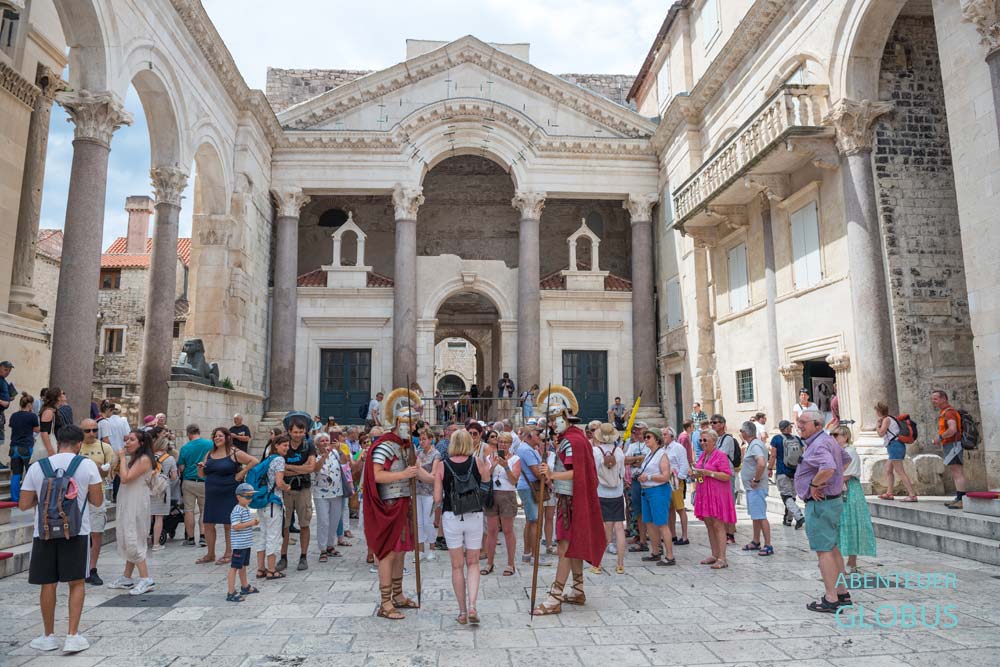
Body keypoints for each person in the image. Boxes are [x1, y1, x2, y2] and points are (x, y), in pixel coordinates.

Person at [19, 425, 103, 654]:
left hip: (44, 532)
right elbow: (96, 501)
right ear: (79, 444)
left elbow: (24, 504)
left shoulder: (38, 467)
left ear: (58, 443)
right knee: (76, 582)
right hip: (76, 531)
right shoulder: (87, 465)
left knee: (48, 584)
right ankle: (72, 635)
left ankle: (48, 636)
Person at [531, 386, 606, 616]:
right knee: (571, 546)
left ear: (565, 417)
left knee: (564, 546)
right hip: (571, 498)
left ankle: (555, 597)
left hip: (569, 501)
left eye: (555, 419)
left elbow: (576, 472)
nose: (552, 424)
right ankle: (577, 589)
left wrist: (551, 474)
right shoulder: (576, 438)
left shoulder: (569, 442)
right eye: (551, 420)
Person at [363, 387, 434, 619]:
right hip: (388, 505)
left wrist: (438, 480)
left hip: (403, 504)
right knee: (388, 553)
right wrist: (405, 475)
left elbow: (418, 472)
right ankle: (385, 603)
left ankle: (398, 594)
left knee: (401, 551)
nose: (414, 429)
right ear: (400, 422)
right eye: (411, 424)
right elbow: (377, 476)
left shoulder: (406, 447)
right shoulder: (384, 445)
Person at [794, 409, 853, 613]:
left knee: (824, 551)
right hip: (832, 501)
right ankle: (842, 592)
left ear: (817, 425)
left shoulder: (819, 444)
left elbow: (828, 467)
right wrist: (833, 483)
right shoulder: (828, 440)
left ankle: (831, 598)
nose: (799, 425)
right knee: (833, 547)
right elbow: (845, 460)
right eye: (799, 421)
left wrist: (814, 484)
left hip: (821, 504)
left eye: (803, 422)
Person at [433, 428, 491, 624]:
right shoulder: (477, 462)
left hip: (452, 516)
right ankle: (473, 605)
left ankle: (462, 612)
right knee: (473, 562)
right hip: (474, 515)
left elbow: (437, 498)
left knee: (457, 566)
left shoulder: (442, 466)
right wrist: (478, 500)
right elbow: (486, 483)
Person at [197, 427, 258, 566]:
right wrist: (200, 467)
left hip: (229, 490)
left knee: (228, 523)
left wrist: (241, 473)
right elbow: (201, 475)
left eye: (220, 436)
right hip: (212, 492)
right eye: (215, 436)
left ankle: (228, 553)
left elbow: (254, 461)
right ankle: (210, 553)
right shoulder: (209, 453)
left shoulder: (234, 452)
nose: (217, 438)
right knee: (208, 523)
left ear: (226, 438)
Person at [107, 429, 157, 595]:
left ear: (141, 443)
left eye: (131, 440)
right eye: (127, 439)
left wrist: (121, 457)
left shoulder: (144, 459)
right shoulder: (135, 459)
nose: (127, 442)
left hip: (136, 503)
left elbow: (126, 478)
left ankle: (145, 578)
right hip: (127, 500)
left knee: (133, 537)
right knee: (127, 536)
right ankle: (127, 577)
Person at [691, 430, 736, 569]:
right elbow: (701, 472)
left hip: (717, 494)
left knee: (718, 525)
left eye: (705, 440)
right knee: (709, 524)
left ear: (714, 441)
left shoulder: (720, 455)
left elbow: (727, 475)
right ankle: (714, 554)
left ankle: (722, 558)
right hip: (705, 493)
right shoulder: (704, 456)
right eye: (701, 440)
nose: (702, 443)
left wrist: (709, 473)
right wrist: (695, 473)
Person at [834, 425, 876, 574]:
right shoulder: (837, 451)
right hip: (839, 488)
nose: (834, 437)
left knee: (851, 522)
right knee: (840, 525)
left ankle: (851, 562)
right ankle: (839, 562)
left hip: (849, 490)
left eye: (837, 435)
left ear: (845, 436)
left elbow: (846, 475)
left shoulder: (850, 452)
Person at [78, 419, 115, 585]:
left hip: (97, 495)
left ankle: (92, 569)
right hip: (77, 496)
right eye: (88, 431)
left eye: (95, 430)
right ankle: (79, 567)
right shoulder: (76, 447)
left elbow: (110, 473)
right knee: (78, 534)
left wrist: (97, 468)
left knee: (97, 533)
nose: (92, 433)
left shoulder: (105, 448)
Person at [279, 415, 316, 571]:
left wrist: (290, 467)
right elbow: (279, 470)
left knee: (304, 523)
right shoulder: (282, 445)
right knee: (284, 525)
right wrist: (301, 468)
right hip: (285, 489)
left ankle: (303, 556)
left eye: (301, 431)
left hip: (303, 489)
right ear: (289, 431)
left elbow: (311, 468)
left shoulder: (309, 445)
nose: (298, 435)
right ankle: (283, 557)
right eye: (295, 432)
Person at [481, 431, 521, 576]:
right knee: (491, 530)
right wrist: (493, 466)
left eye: (506, 442)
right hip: (492, 494)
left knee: (508, 530)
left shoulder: (515, 459)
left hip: (507, 494)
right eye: (501, 441)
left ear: (510, 444)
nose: (503, 444)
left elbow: (514, 480)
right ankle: (490, 563)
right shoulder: (489, 457)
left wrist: (505, 467)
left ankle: (510, 564)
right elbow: (485, 476)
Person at [636, 430, 675, 566]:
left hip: (658, 491)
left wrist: (649, 477)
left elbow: (665, 476)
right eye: (645, 437)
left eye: (648, 437)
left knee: (662, 524)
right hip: (646, 490)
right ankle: (656, 551)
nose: (645, 439)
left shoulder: (662, 455)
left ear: (657, 439)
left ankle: (670, 555)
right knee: (649, 522)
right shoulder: (649, 454)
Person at [255, 434, 290, 580]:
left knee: (263, 534)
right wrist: (287, 487)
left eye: (287, 446)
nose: (286, 448)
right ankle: (271, 570)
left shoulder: (268, 459)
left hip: (262, 501)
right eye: (284, 445)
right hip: (273, 502)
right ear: (277, 446)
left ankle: (260, 569)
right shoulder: (279, 460)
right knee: (273, 535)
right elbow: (279, 482)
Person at [593, 423, 626, 574]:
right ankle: (620, 564)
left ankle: (597, 564)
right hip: (617, 493)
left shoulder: (595, 452)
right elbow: (623, 473)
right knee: (619, 528)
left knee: (600, 527)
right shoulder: (619, 452)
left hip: (601, 492)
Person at [739, 421, 773, 557]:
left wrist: (756, 479)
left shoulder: (756, 445)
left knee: (760, 515)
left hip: (757, 487)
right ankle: (756, 540)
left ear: (745, 433)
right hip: (752, 488)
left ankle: (768, 544)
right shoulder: (753, 445)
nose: (740, 433)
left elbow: (761, 463)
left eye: (741, 431)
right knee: (756, 516)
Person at [515, 423, 546, 566]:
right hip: (530, 486)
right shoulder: (526, 450)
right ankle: (534, 555)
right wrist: (549, 478)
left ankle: (527, 553)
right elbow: (536, 471)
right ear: (529, 436)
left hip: (526, 486)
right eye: (537, 434)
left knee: (530, 521)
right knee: (534, 521)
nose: (539, 437)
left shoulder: (526, 448)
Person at [312, 432, 346, 562]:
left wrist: (339, 449)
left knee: (334, 520)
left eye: (327, 440)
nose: (325, 442)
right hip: (320, 492)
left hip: (336, 491)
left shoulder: (335, 453)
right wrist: (324, 455)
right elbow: (316, 468)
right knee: (323, 521)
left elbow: (344, 462)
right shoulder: (314, 455)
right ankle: (322, 549)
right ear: (317, 444)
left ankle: (331, 545)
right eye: (322, 441)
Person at [178, 424, 212, 546]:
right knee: (204, 510)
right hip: (205, 481)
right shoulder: (210, 444)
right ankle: (203, 536)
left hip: (189, 481)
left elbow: (181, 468)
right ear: (199, 431)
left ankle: (190, 538)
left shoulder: (185, 447)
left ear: (189, 434)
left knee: (189, 510)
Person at [875, 401, 917, 502]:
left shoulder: (886, 420)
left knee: (900, 471)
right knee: (888, 469)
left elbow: (881, 433)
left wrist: (877, 425)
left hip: (895, 446)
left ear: (879, 411)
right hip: (895, 445)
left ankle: (912, 495)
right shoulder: (891, 418)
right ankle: (889, 493)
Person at [932, 390, 966, 509]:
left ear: (944, 399)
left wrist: (940, 437)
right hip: (951, 445)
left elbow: (953, 429)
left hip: (953, 445)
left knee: (957, 472)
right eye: (933, 399)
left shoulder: (949, 413)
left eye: (936, 398)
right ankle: (959, 497)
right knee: (955, 472)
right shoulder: (945, 412)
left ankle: (962, 500)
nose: (933, 401)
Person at [768, 420, 805, 529]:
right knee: (791, 497)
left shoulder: (776, 439)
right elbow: (803, 454)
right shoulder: (797, 439)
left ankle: (798, 516)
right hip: (795, 470)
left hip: (782, 470)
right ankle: (788, 519)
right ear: (787, 428)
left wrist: (769, 468)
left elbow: (773, 455)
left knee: (786, 496)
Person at [226, 483, 260, 602]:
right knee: (234, 567)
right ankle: (231, 592)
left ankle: (244, 586)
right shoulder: (237, 510)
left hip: (245, 544)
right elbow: (235, 526)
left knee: (243, 566)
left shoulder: (245, 509)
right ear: (238, 497)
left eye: (251, 497)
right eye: (247, 497)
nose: (250, 499)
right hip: (239, 545)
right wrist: (251, 523)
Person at [710, 414, 739, 544]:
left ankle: (730, 534)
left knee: (729, 504)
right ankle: (724, 531)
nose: (712, 425)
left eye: (715, 422)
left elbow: (720, 455)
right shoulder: (716, 439)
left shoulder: (727, 439)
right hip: (718, 476)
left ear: (722, 424)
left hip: (727, 475)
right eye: (711, 422)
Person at [149, 431, 178, 551]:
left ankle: (144, 541)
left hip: (148, 488)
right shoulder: (170, 459)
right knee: (159, 518)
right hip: (162, 491)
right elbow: (174, 477)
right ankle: (156, 544)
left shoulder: (149, 456)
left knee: (147, 516)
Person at [7, 392, 38, 502]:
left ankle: (15, 498)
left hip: (14, 447)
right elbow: (36, 430)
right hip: (26, 446)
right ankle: (29, 498)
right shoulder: (32, 416)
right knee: (30, 473)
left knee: (16, 474)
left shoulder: (14, 416)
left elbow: (13, 427)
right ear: (29, 405)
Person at [624, 422, 651, 552]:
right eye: (636, 432)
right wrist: (638, 459)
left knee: (649, 510)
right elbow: (625, 460)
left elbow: (647, 460)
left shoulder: (650, 445)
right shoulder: (633, 445)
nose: (638, 434)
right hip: (635, 480)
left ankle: (652, 538)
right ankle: (642, 540)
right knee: (637, 510)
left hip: (647, 481)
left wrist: (635, 459)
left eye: (640, 431)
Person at [415, 427, 439, 562]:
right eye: (420, 439)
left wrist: (419, 471)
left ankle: (432, 548)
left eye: (424, 439)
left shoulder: (435, 454)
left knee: (428, 521)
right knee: (418, 522)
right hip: (418, 490)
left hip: (429, 491)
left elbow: (433, 475)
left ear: (431, 439)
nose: (421, 442)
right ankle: (420, 550)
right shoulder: (419, 453)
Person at [663, 427, 690, 546]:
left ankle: (684, 536)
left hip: (675, 480)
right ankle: (672, 534)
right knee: (670, 509)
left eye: (664, 434)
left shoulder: (678, 448)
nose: (662, 436)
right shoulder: (663, 448)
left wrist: (679, 478)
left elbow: (684, 464)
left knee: (680, 508)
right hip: (665, 480)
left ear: (671, 436)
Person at [38, 387, 68, 457]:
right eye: (63, 393)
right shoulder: (49, 411)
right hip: (52, 448)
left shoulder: (55, 411)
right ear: (58, 397)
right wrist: (50, 450)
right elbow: (44, 432)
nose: (65, 395)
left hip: (57, 445)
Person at [0, 360, 15, 459]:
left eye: (9, 370)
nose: (7, 372)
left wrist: (10, 398)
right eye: (5, 369)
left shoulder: (4, 381)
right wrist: (2, 402)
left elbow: (7, 398)